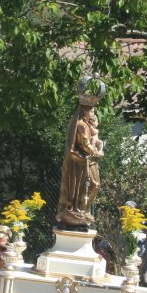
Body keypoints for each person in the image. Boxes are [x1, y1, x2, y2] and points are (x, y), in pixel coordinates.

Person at [55, 86, 105, 230]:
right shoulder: (81, 125)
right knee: (91, 185)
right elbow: (85, 145)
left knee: (92, 185)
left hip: (88, 161)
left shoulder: (87, 125)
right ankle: (79, 210)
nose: (94, 113)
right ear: (84, 111)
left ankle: (83, 210)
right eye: (92, 110)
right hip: (82, 162)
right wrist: (98, 153)